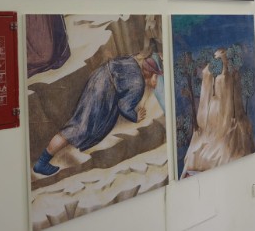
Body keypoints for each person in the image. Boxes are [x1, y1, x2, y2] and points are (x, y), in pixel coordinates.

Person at [33, 52, 163, 176]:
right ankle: (42, 162)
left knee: (78, 125)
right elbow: (124, 106)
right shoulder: (138, 85)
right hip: (102, 91)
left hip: (98, 78)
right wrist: (135, 117)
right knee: (78, 128)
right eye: (155, 75)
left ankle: (43, 161)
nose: (156, 79)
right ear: (149, 73)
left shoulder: (132, 61)